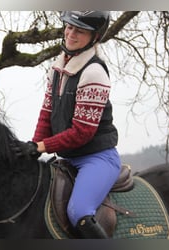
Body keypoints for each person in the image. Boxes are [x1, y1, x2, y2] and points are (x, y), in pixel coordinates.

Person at [16, 11, 121, 238]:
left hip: (98, 158)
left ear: (94, 38)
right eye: (69, 27)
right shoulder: (57, 69)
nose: (70, 34)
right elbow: (46, 115)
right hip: (69, 158)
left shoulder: (94, 72)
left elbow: (82, 133)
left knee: (78, 212)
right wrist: (33, 146)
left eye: (80, 31)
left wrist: (42, 147)